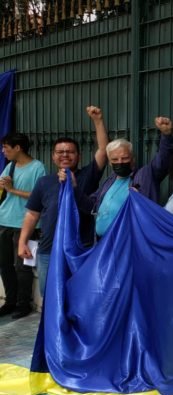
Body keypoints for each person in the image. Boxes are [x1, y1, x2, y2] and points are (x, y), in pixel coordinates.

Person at [17, 106, 109, 298]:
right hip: (48, 250)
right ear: (53, 156)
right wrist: (22, 241)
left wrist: (98, 121)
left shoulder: (87, 176)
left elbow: (103, 150)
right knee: (49, 297)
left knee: (79, 296)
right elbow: (32, 214)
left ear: (78, 156)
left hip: (80, 249)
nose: (65, 155)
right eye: (60, 152)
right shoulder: (44, 182)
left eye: (70, 152)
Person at [75, 113, 173, 238]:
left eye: (124, 158)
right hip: (103, 244)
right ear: (110, 163)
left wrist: (166, 135)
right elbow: (91, 205)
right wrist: (73, 188)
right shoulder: (109, 181)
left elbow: (163, 160)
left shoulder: (145, 175)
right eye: (115, 159)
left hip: (130, 243)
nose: (120, 162)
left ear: (132, 159)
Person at [0, 133, 46, 319]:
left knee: (23, 266)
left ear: (18, 148)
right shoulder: (9, 166)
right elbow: (3, 191)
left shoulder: (37, 168)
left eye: (6, 148)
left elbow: (39, 196)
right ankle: (10, 302)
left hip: (25, 224)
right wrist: (4, 187)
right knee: (4, 265)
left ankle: (23, 303)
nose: (3, 152)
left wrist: (12, 189)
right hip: (4, 220)